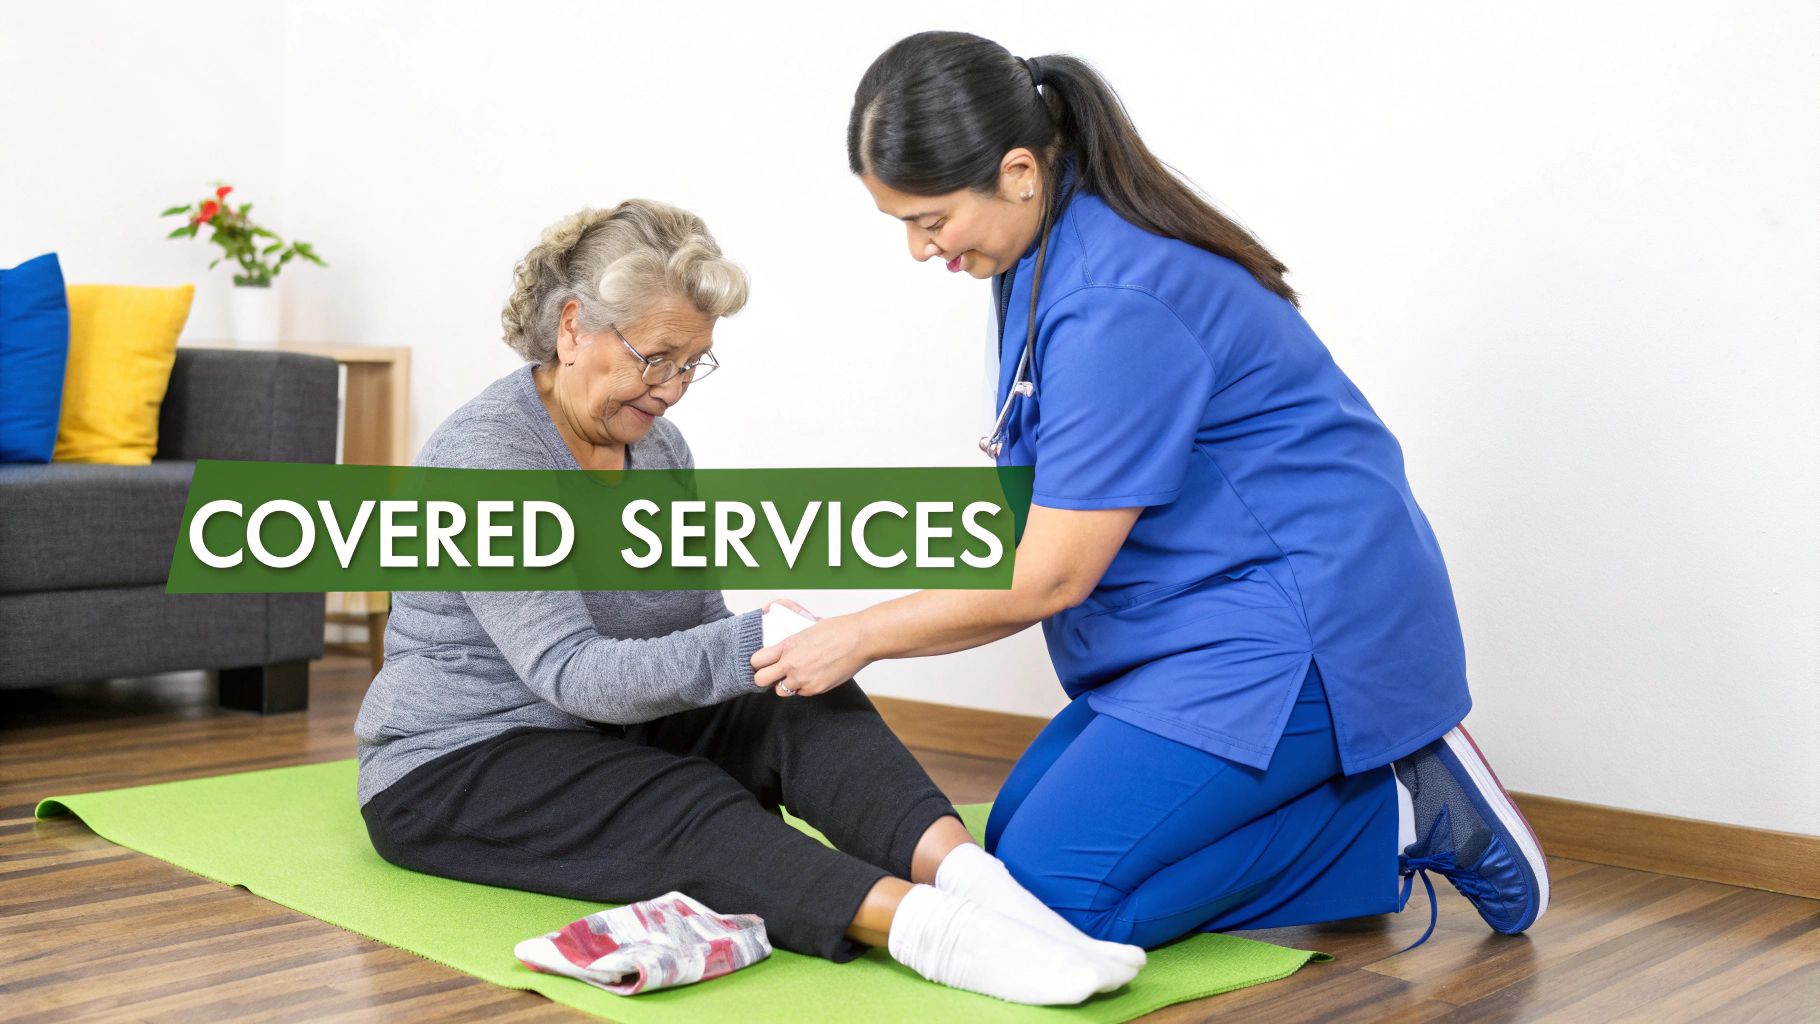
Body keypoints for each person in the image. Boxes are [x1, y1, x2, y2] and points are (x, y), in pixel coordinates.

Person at [751, 31, 1549, 952]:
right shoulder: (1041, 251)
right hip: (1199, 615)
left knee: (1057, 899)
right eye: (901, 223)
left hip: (1307, 627)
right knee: (1008, 846)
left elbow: (1052, 576)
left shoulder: (1113, 298)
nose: (919, 249)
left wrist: (858, 636)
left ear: (1018, 172)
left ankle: (1403, 812)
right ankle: (1358, 803)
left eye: (930, 220)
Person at [353, 200, 1146, 1006]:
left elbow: (697, 628)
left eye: (692, 364)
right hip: (462, 762)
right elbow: (572, 674)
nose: (672, 389)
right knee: (687, 799)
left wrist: (779, 655)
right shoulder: (488, 455)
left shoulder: (657, 448)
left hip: (607, 734)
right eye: (656, 359)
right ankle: (939, 936)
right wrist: (753, 638)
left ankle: (977, 884)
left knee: (792, 694)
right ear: (572, 329)